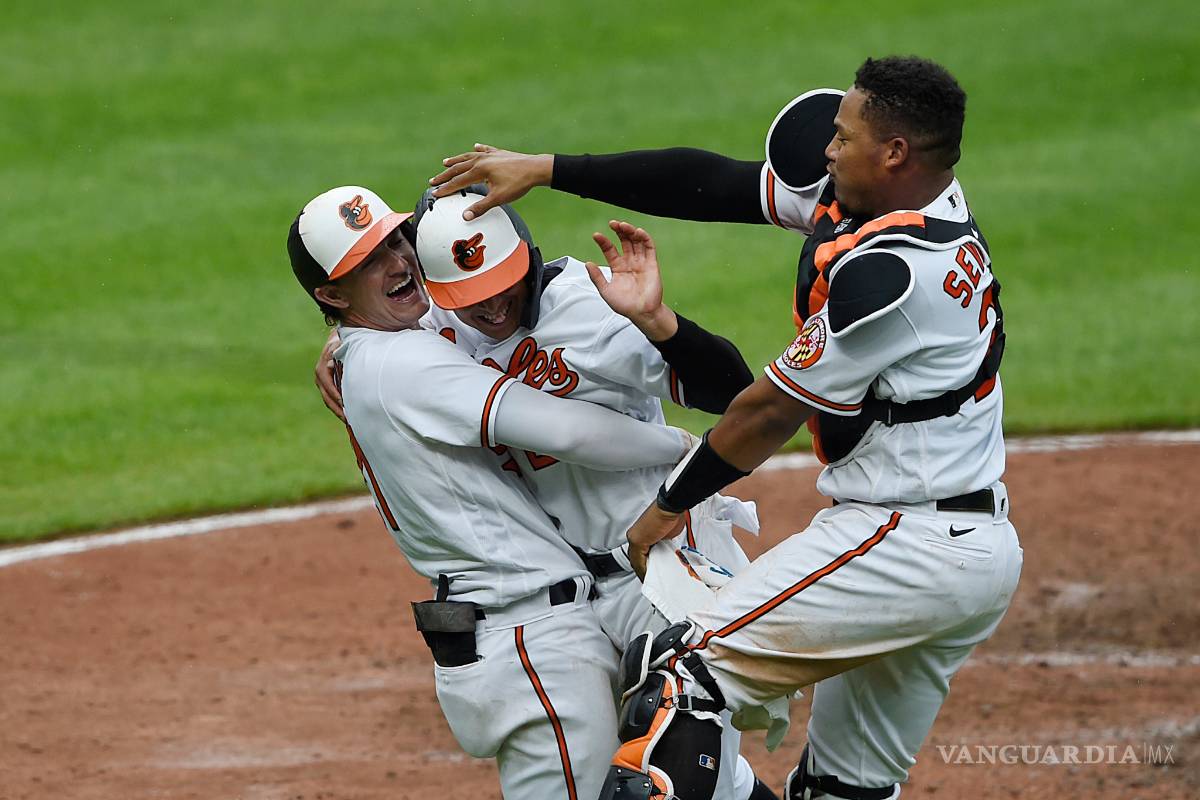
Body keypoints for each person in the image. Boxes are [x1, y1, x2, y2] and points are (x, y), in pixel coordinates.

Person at [429, 56, 1022, 800]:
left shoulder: (891, 281)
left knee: (679, 679)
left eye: (844, 137)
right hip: (976, 549)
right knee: (842, 790)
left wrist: (663, 512)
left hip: (902, 543)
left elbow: (765, 411)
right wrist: (549, 168)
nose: (828, 152)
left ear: (894, 152)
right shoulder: (904, 202)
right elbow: (710, 184)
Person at [315, 188, 778, 800]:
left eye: (505, 285)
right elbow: (377, 322)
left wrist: (658, 324)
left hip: (664, 569)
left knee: (672, 777)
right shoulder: (437, 320)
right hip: (578, 595)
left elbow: (732, 392)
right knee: (713, 785)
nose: (491, 308)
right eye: (470, 298)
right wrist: (338, 342)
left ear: (528, 258)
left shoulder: (589, 304)